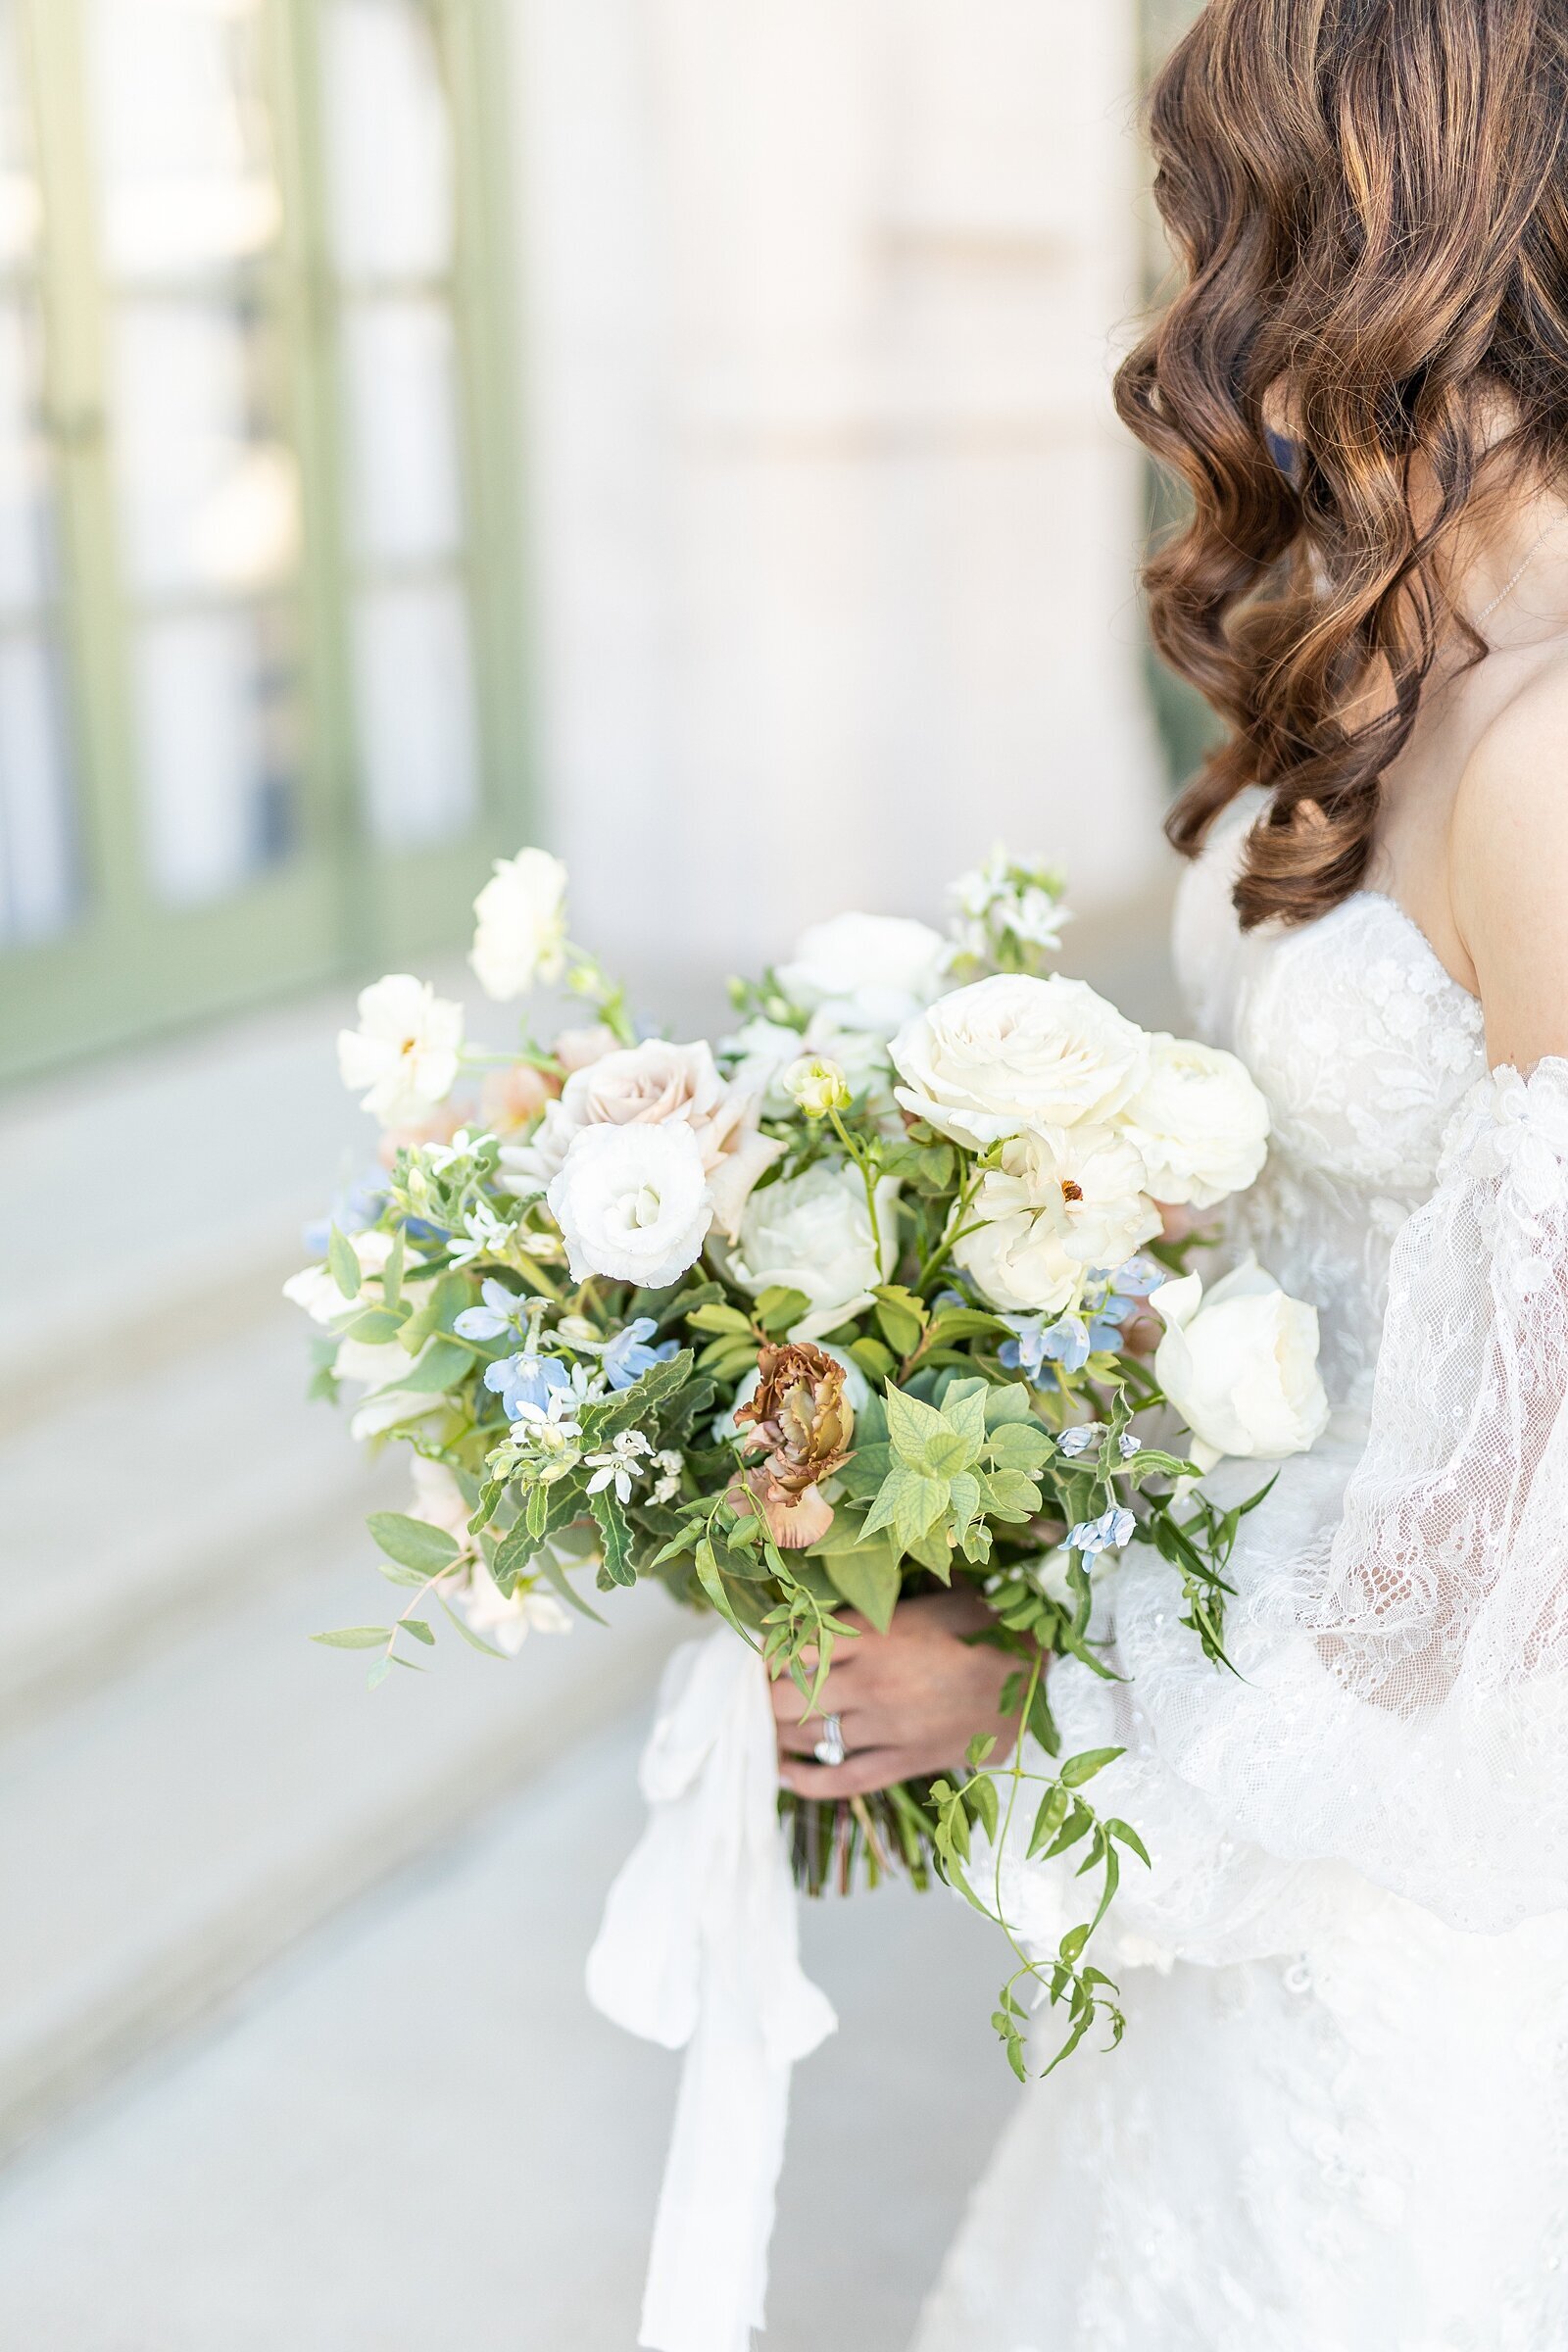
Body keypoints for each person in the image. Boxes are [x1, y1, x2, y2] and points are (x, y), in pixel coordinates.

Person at [774, 3, 1568, 2341]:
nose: (1172, 269)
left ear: (1358, 214)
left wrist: (1036, 1697)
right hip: (1241, 1806)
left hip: (1403, 1909)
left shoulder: (1544, 751)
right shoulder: (1386, 637)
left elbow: (1520, 1552)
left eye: (1206, 193)